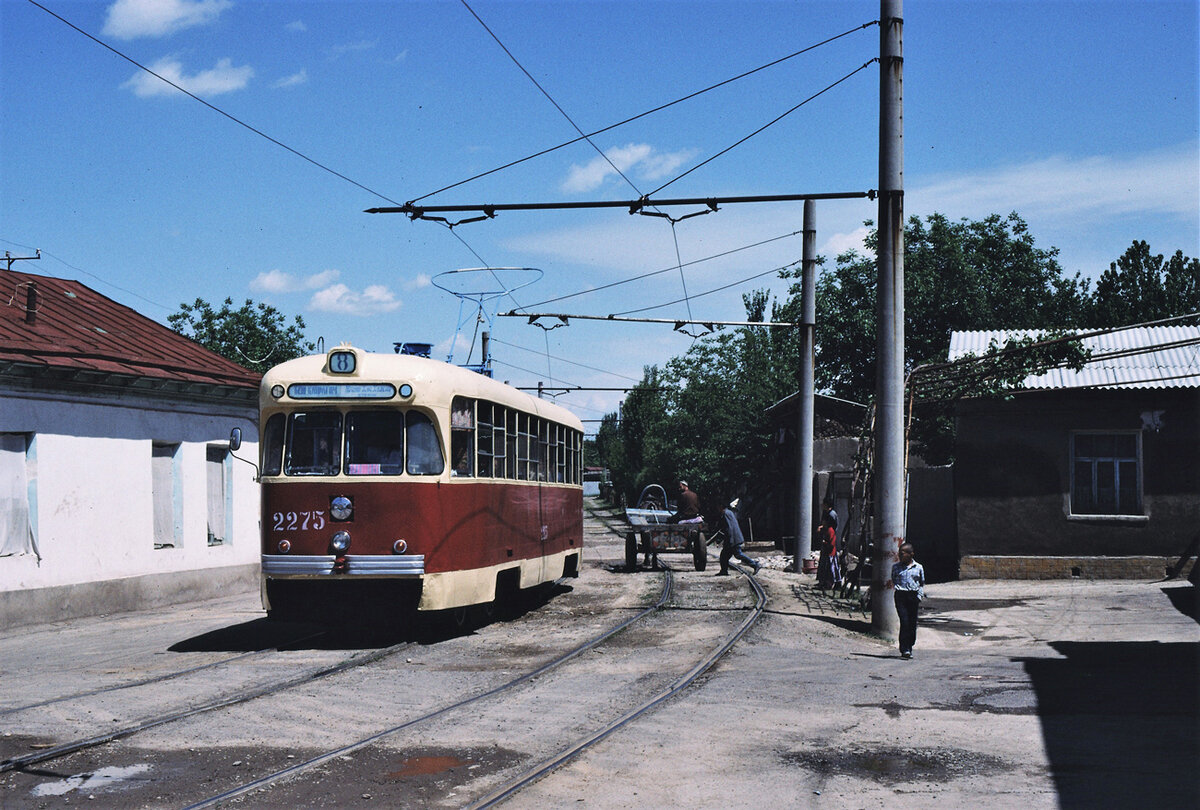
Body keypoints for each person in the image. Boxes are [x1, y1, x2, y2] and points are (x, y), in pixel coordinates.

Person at [891, 542, 926, 659]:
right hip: (901, 596)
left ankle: (910, 645)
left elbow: (921, 583)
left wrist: (919, 596)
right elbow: (894, 579)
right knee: (904, 621)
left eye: (903, 554)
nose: (900, 556)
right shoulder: (896, 567)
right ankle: (904, 648)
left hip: (913, 596)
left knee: (912, 623)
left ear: (911, 554)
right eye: (899, 554)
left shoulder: (919, 567)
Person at [718, 498, 761, 576]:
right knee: (724, 556)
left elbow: (730, 528)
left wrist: (730, 540)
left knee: (738, 554)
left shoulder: (725, 514)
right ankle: (724, 571)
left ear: (721, 506)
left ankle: (755, 564)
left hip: (733, 539)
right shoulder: (729, 512)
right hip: (734, 538)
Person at [815, 497, 840, 589]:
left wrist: (825, 541)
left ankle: (830, 583)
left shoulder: (832, 515)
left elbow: (833, 526)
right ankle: (823, 582)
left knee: (831, 566)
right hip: (827, 544)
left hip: (829, 547)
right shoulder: (827, 514)